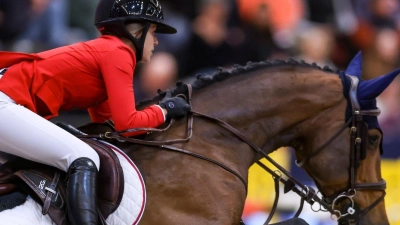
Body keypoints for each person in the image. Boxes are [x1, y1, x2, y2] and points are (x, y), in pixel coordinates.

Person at [0, 0, 191, 224]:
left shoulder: (107, 50)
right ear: (135, 31)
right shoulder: (119, 51)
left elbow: (106, 122)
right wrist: (164, 110)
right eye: (153, 32)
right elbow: (128, 124)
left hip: (8, 100)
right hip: (5, 102)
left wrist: (157, 113)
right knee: (83, 157)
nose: (157, 41)